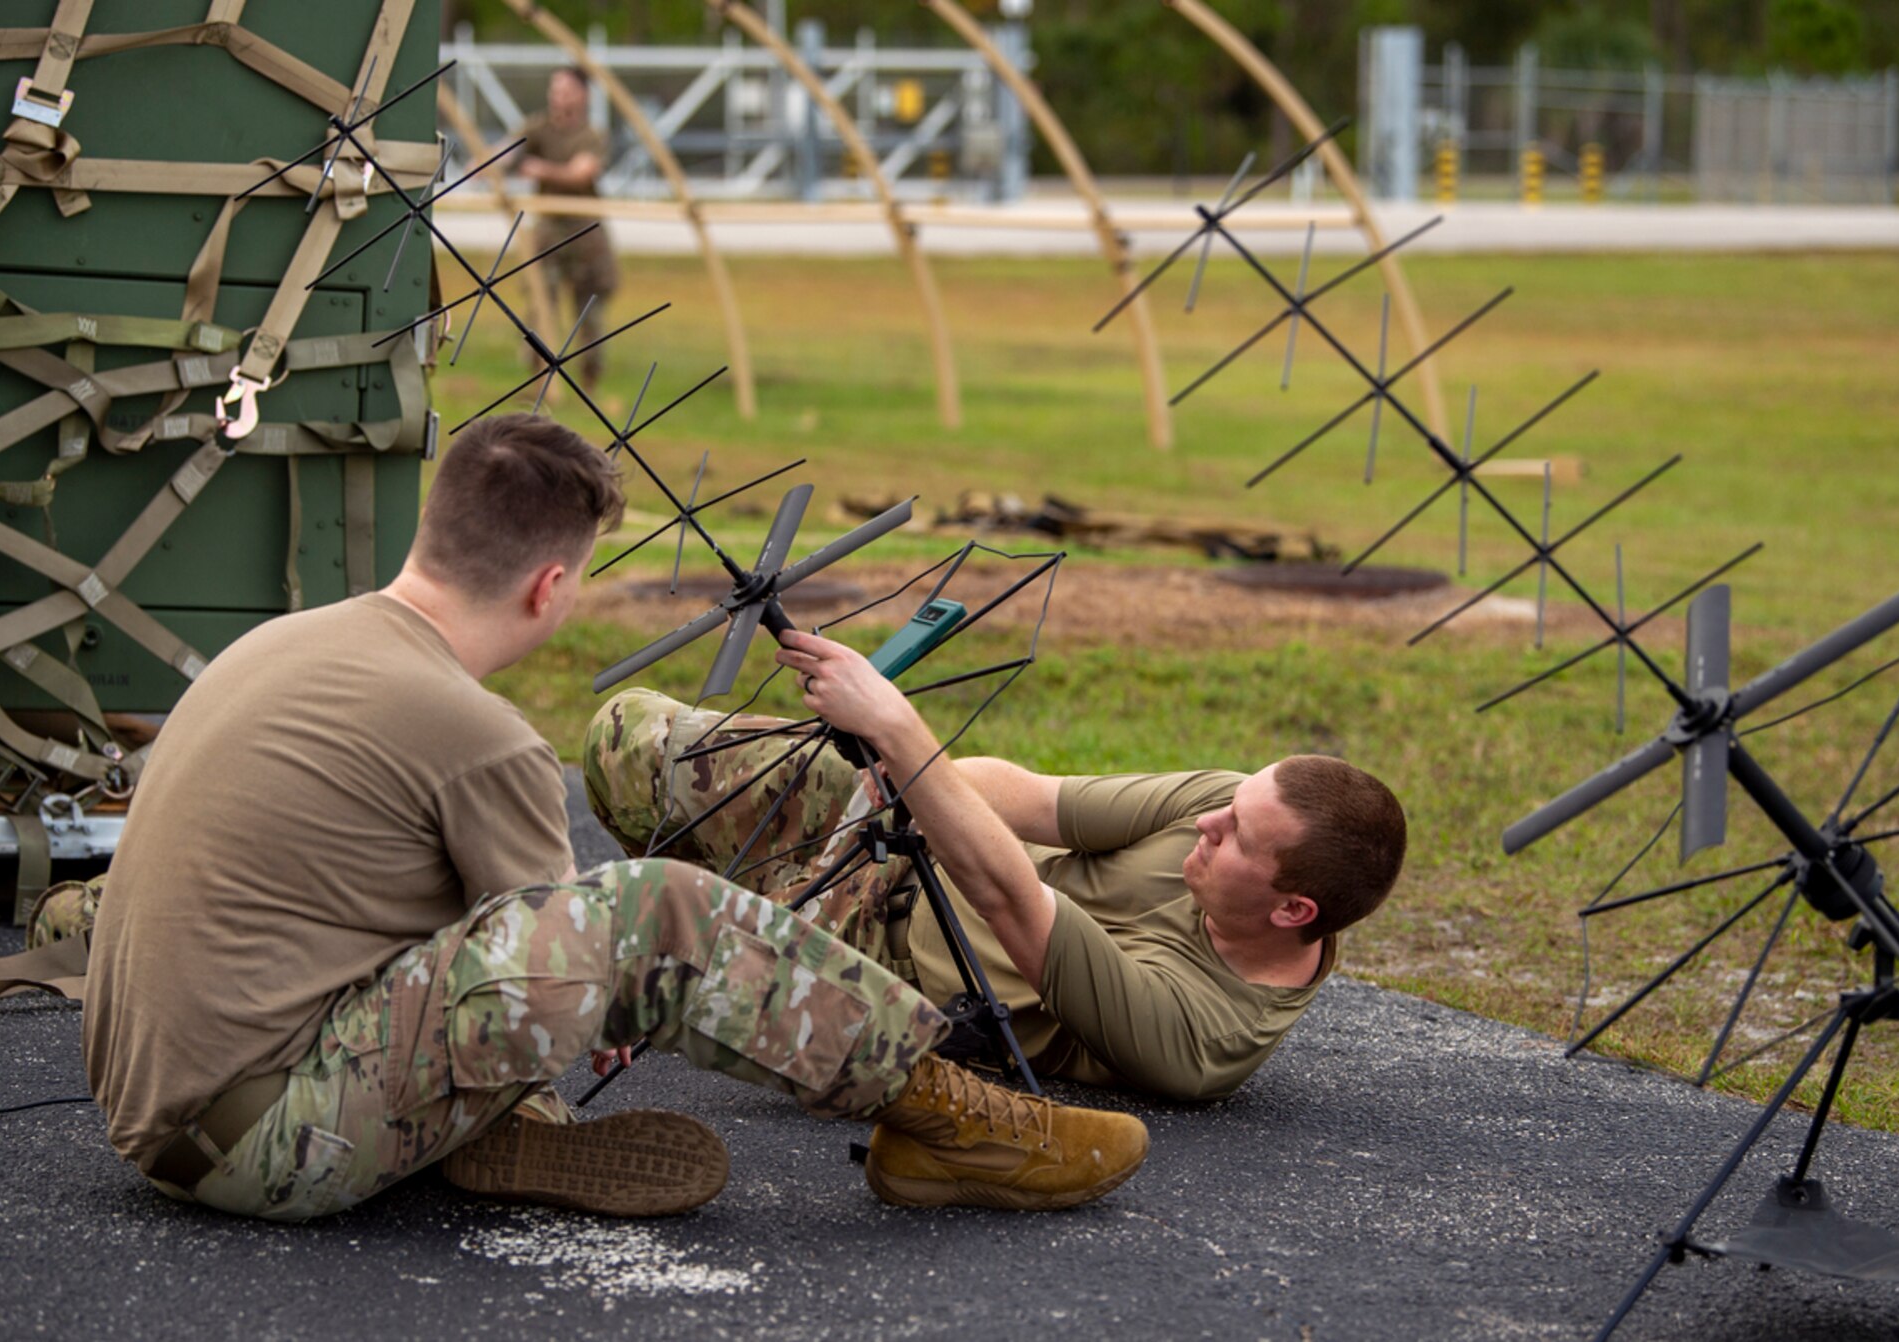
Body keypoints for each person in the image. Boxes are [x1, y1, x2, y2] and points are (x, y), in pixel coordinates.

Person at [70, 414, 1146, 1223]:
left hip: (158, 1116)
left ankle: (479, 1130)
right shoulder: (475, 734)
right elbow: (577, 957)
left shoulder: (285, 641)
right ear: (548, 587)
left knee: (570, 934)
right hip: (265, 1143)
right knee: (654, 911)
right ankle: (948, 1120)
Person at [587, 639, 1406, 1105]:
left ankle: (671, 940)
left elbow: (1011, 899)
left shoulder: (1204, 1036)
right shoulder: (1227, 802)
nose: (1210, 819)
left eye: (1235, 837)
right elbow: (1020, 795)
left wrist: (898, 729)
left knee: (626, 953)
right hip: (893, 829)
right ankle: (699, 898)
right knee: (626, 736)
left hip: (873, 966)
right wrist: (889, 796)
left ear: (1294, 910)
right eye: (1232, 803)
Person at [518, 67, 619, 392]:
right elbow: (508, 151)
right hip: (548, 229)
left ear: (583, 95)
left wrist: (540, 170)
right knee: (539, 301)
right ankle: (539, 377)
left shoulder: (592, 135)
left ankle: (590, 376)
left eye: (566, 90)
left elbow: (581, 173)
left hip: (584, 232)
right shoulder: (538, 128)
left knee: (588, 309)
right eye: (554, 89)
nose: (558, 97)